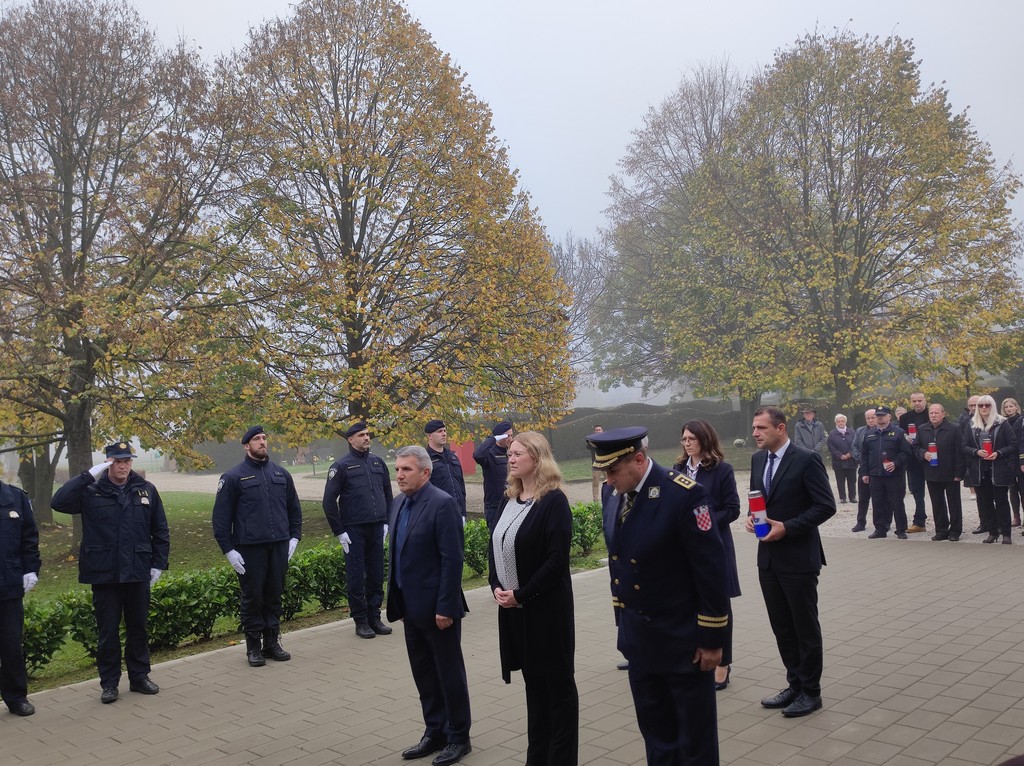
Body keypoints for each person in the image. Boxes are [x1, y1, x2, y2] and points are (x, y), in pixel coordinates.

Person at [591, 426, 729, 765]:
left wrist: (712, 638)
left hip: (682, 641)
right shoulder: (613, 495)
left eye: (612, 470)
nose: (607, 479)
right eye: (604, 471)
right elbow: (618, 564)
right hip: (640, 639)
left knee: (694, 743)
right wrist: (623, 624)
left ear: (639, 460)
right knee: (657, 737)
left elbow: (710, 571)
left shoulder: (683, 495)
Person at [52, 441, 170, 703]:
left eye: (127, 460)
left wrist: (158, 564)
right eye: (118, 461)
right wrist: (86, 476)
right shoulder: (91, 491)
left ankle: (139, 677)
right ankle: (109, 684)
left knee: (138, 628)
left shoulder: (145, 490)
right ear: (108, 463)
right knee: (108, 632)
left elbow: (160, 529)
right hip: (105, 574)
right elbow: (58, 502)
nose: (124, 466)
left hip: (138, 572)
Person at [489, 431, 578, 765]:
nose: (511, 459)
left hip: (546, 611)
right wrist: (495, 584)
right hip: (514, 611)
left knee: (558, 691)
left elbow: (557, 561)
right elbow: (494, 545)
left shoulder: (553, 500)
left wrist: (521, 594)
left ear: (538, 459)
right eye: (509, 454)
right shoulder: (509, 497)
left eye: (518, 454)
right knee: (534, 689)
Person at [745, 406, 836, 718]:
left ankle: (812, 692)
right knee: (782, 626)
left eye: (761, 428)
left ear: (780, 429)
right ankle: (794, 683)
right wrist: (752, 518)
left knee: (804, 627)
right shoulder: (758, 459)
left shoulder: (806, 459)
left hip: (798, 558)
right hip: (768, 559)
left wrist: (788, 526)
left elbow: (826, 506)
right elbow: (759, 498)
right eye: (754, 428)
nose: (755, 433)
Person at [387, 446, 472, 766]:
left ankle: (459, 736)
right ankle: (434, 730)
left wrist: (446, 607)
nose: (399, 475)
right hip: (410, 607)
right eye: (397, 469)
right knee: (423, 673)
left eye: (406, 469)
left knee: (449, 674)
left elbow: (453, 559)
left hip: (439, 610)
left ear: (425, 472)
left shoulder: (442, 504)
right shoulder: (397, 503)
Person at [212, 426, 302, 666]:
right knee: (253, 597)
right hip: (250, 548)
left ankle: (272, 643)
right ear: (246, 445)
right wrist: (229, 550)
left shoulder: (281, 474)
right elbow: (220, 520)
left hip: (279, 545)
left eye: (264, 438)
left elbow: (294, 508)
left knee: (274, 594)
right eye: (257, 439)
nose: (263, 442)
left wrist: (294, 537)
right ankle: (253, 647)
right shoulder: (233, 477)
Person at [673, 419, 741, 692]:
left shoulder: (721, 470)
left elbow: (733, 509)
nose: (687, 443)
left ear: (704, 439)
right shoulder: (677, 469)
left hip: (714, 545)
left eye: (691, 438)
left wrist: (706, 520)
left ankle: (723, 663)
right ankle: (695, 654)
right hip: (684, 548)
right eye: (684, 438)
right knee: (689, 601)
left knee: (718, 603)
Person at [322, 421, 393, 639]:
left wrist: (387, 522)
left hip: (376, 527)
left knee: (375, 574)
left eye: (367, 434)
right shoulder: (341, 466)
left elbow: (388, 495)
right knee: (356, 576)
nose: (366, 438)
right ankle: (360, 620)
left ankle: (375, 617)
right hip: (353, 530)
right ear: (350, 439)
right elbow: (328, 501)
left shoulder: (378, 463)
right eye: (361, 435)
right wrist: (339, 531)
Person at [0, 477, 40, 716]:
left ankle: (16, 698)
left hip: (9, 585)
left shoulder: (15, 497)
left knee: (12, 646)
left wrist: (31, 568)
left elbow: (29, 537)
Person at [961, 395, 1019, 544]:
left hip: (998, 469)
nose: (984, 408)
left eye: (987, 405)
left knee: (1001, 502)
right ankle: (993, 532)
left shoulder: (1002, 423)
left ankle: (1006, 533)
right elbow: (964, 445)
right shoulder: (972, 424)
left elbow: (1013, 444)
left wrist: (999, 453)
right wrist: (976, 452)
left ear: (992, 406)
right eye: (981, 406)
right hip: (980, 470)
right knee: (985, 503)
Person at [859, 406, 913, 539]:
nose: (880, 418)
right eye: (878, 416)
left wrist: (895, 463)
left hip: (894, 475)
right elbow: (864, 455)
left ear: (889, 417)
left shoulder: (898, 432)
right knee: (877, 502)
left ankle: (901, 529)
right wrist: (865, 473)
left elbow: (906, 453)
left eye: (883, 415)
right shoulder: (869, 434)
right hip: (876, 475)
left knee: (897, 502)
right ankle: (880, 529)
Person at [914, 404, 966, 541]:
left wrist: (959, 472)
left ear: (943, 414)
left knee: (953, 503)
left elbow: (959, 452)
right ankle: (941, 530)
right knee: (937, 503)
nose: (933, 415)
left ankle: (955, 531)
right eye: (931, 413)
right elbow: (915, 446)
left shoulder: (954, 428)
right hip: (931, 471)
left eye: (937, 413)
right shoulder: (922, 429)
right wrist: (923, 453)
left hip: (950, 472)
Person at [472, 420, 513, 529]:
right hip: (495, 506)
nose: (510, 439)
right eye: (507, 435)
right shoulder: (490, 453)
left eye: (511, 435)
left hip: (511, 503)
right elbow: (478, 455)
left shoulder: (511, 454)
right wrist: (494, 438)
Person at [899, 393, 930, 532]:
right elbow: (902, 435)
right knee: (917, 492)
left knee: (937, 492)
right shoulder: (905, 418)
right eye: (914, 401)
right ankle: (919, 521)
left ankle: (943, 521)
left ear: (925, 401)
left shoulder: (933, 413)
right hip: (913, 460)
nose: (917, 403)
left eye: (920, 400)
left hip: (931, 458)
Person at [424, 420, 467, 520]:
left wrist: (463, 512)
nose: (444, 434)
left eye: (444, 431)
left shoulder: (452, 456)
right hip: (437, 515)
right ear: (430, 436)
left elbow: (461, 485)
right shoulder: (424, 459)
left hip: (458, 513)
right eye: (439, 431)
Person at [850, 408, 876, 532]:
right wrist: (861, 459)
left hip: (878, 469)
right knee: (863, 498)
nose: (871, 420)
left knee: (880, 498)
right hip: (863, 468)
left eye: (873, 417)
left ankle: (881, 522)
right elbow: (854, 446)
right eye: (868, 418)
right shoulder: (860, 431)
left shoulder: (883, 430)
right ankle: (860, 522)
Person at [1000, 398, 1022, 527]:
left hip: (1019, 457)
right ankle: (1016, 517)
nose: (1009, 409)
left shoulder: (1021, 421)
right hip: (1008, 459)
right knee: (1012, 490)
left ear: (1016, 407)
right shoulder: (1003, 423)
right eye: (1006, 407)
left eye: (1011, 406)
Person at [826, 414, 857, 505]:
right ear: (836, 422)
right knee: (840, 481)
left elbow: (855, 445)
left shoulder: (852, 432)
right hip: (838, 462)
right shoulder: (832, 434)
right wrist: (840, 455)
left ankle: (852, 497)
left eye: (842, 421)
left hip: (851, 461)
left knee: (852, 480)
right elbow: (831, 447)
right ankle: (842, 497)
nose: (841, 423)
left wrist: (849, 454)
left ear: (845, 422)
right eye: (839, 421)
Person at [588, 424, 605, 502]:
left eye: (599, 430)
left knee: (609, 481)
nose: (598, 431)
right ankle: (595, 500)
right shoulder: (591, 441)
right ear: (594, 432)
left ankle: (611, 497)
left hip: (606, 463)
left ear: (602, 430)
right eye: (596, 430)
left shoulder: (607, 440)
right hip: (596, 464)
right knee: (595, 482)